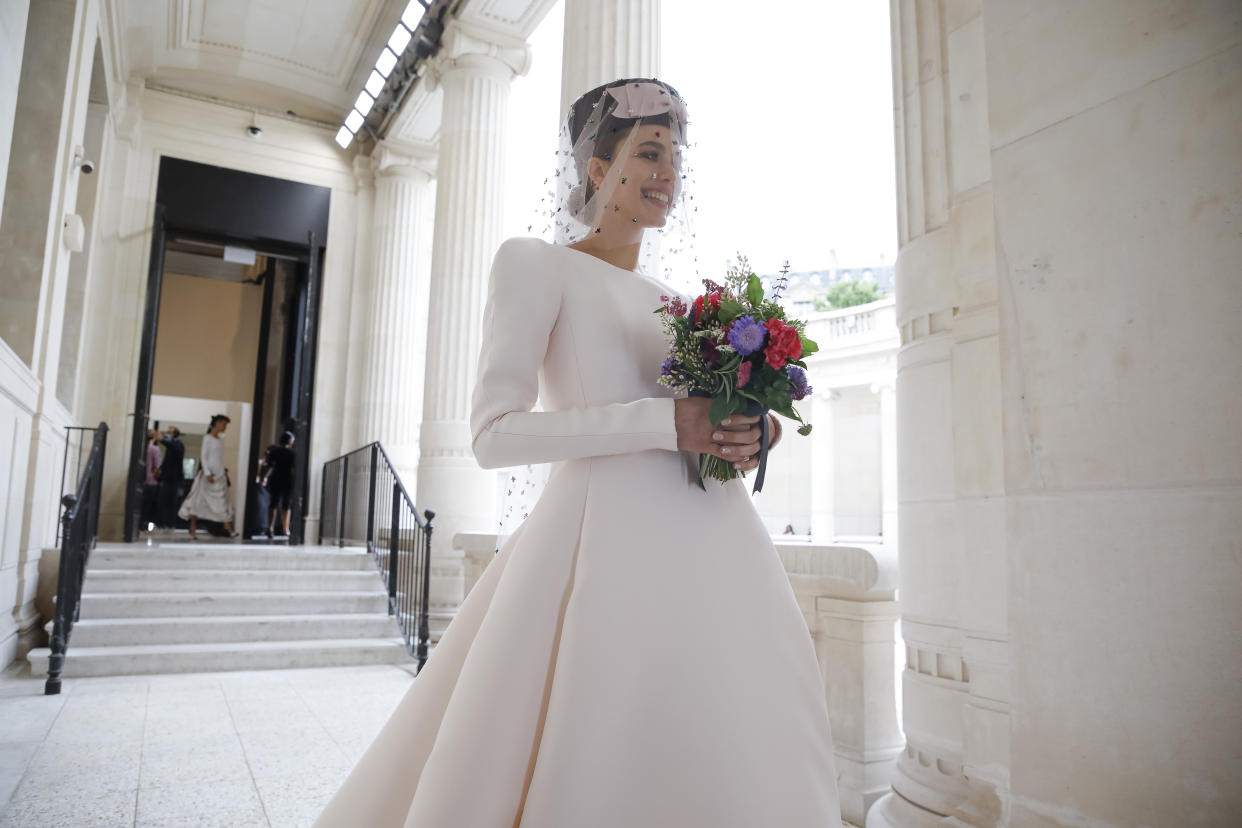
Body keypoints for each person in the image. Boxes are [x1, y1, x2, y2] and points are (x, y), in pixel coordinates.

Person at [313, 79, 840, 827]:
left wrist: (748, 429)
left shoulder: (676, 300)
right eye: (648, 152)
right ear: (597, 167)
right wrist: (667, 425)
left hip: (716, 550)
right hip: (602, 545)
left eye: (675, 158)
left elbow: (699, 419)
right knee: (603, 732)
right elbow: (495, 434)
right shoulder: (537, 265)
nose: (668, 173)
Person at [178, 414, 236, 540]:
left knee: (222, 502)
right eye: (224, 424)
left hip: (219, 475)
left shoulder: (220, 441)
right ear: (218, 423)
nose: (225, 427)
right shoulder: (207, 438)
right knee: (198, 502)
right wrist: (207, 472)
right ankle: (192, 529)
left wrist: (221, 473)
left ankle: (228, 528)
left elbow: (218, 459)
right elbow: (204, 456)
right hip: (207, 475)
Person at [262, 431, 296, 538]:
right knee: (287, 504)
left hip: (276, 478)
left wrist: (265, 477)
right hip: (288, 479)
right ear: (290, 441)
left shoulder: (274, 451)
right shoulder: (293, 452)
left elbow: (270, 465)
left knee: (273, 502)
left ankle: (270, 528)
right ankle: (285, 529)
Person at [157, 425, 185, 529]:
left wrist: (162, 440)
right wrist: (160, 470)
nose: (167, 434)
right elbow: (167, 461)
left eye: (169, 432)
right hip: (167, 479)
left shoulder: (179, 444)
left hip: (175, 480)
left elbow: (172, 446)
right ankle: (163, 523)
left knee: (172, 503)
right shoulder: (171, 445)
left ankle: (171, 524)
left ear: (174, 434)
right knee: (163, 501)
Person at [141, 429, 162, 531]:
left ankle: (139, 524)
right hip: (151, 481)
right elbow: (157, 466)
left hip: (141, 481)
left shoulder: (141, 449)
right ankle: (145, 525)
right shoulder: (155, 449)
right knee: (148, 506)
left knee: (141, 504)